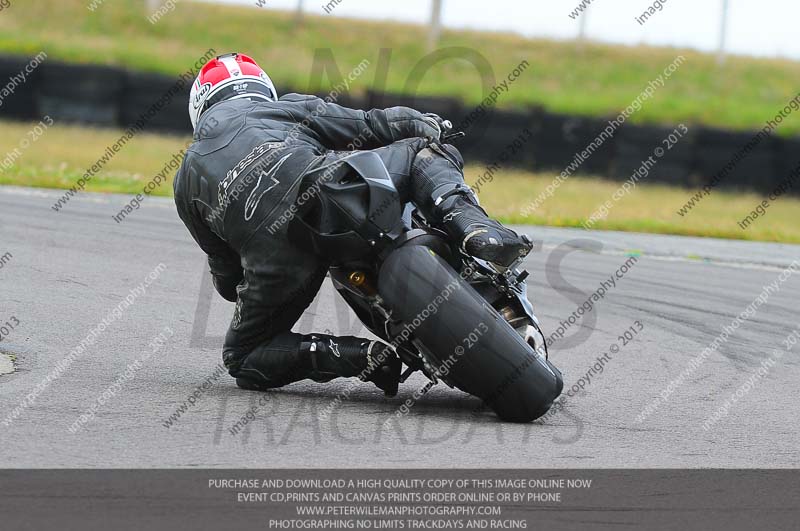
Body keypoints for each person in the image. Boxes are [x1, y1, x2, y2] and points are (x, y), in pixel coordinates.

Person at [173, 53, 532, 398]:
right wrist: (429, 125)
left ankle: (357, 357)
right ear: (262, 88)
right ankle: (475, 228)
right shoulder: (283, 106)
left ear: (199, 110)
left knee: (243, 357)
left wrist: (252, 283)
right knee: (423, 149)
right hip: (332, 188)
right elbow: (372, 124)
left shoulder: (185, 178)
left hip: (277, 260)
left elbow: (225, 274)